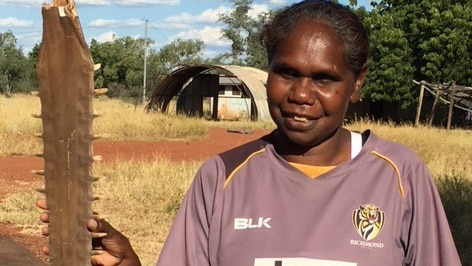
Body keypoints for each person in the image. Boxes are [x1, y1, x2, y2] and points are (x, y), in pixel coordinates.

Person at [37, 0, 461, 265]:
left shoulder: (400, 176)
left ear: (357, 83)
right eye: (287, 73)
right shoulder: (221, 177)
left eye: (325, 79)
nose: (301, 94)